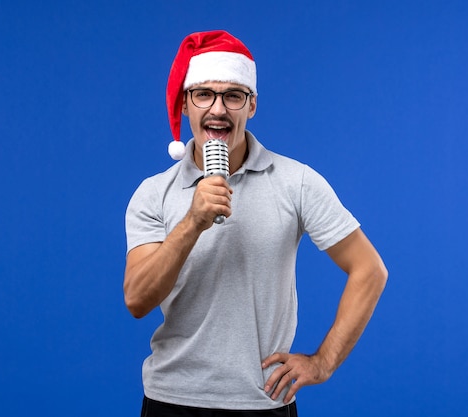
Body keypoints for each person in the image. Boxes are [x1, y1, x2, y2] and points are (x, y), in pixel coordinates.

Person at [124, 30, 388, 417]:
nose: (218, 109)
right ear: (185, 104)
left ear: (252, 106)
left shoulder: (296, 181)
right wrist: (192, 222)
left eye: (233, 95)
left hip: (262, 402)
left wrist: (323, 362)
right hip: (171, 399)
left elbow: (370, 270)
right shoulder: (153, 193)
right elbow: (137, 299)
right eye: (203, 94)